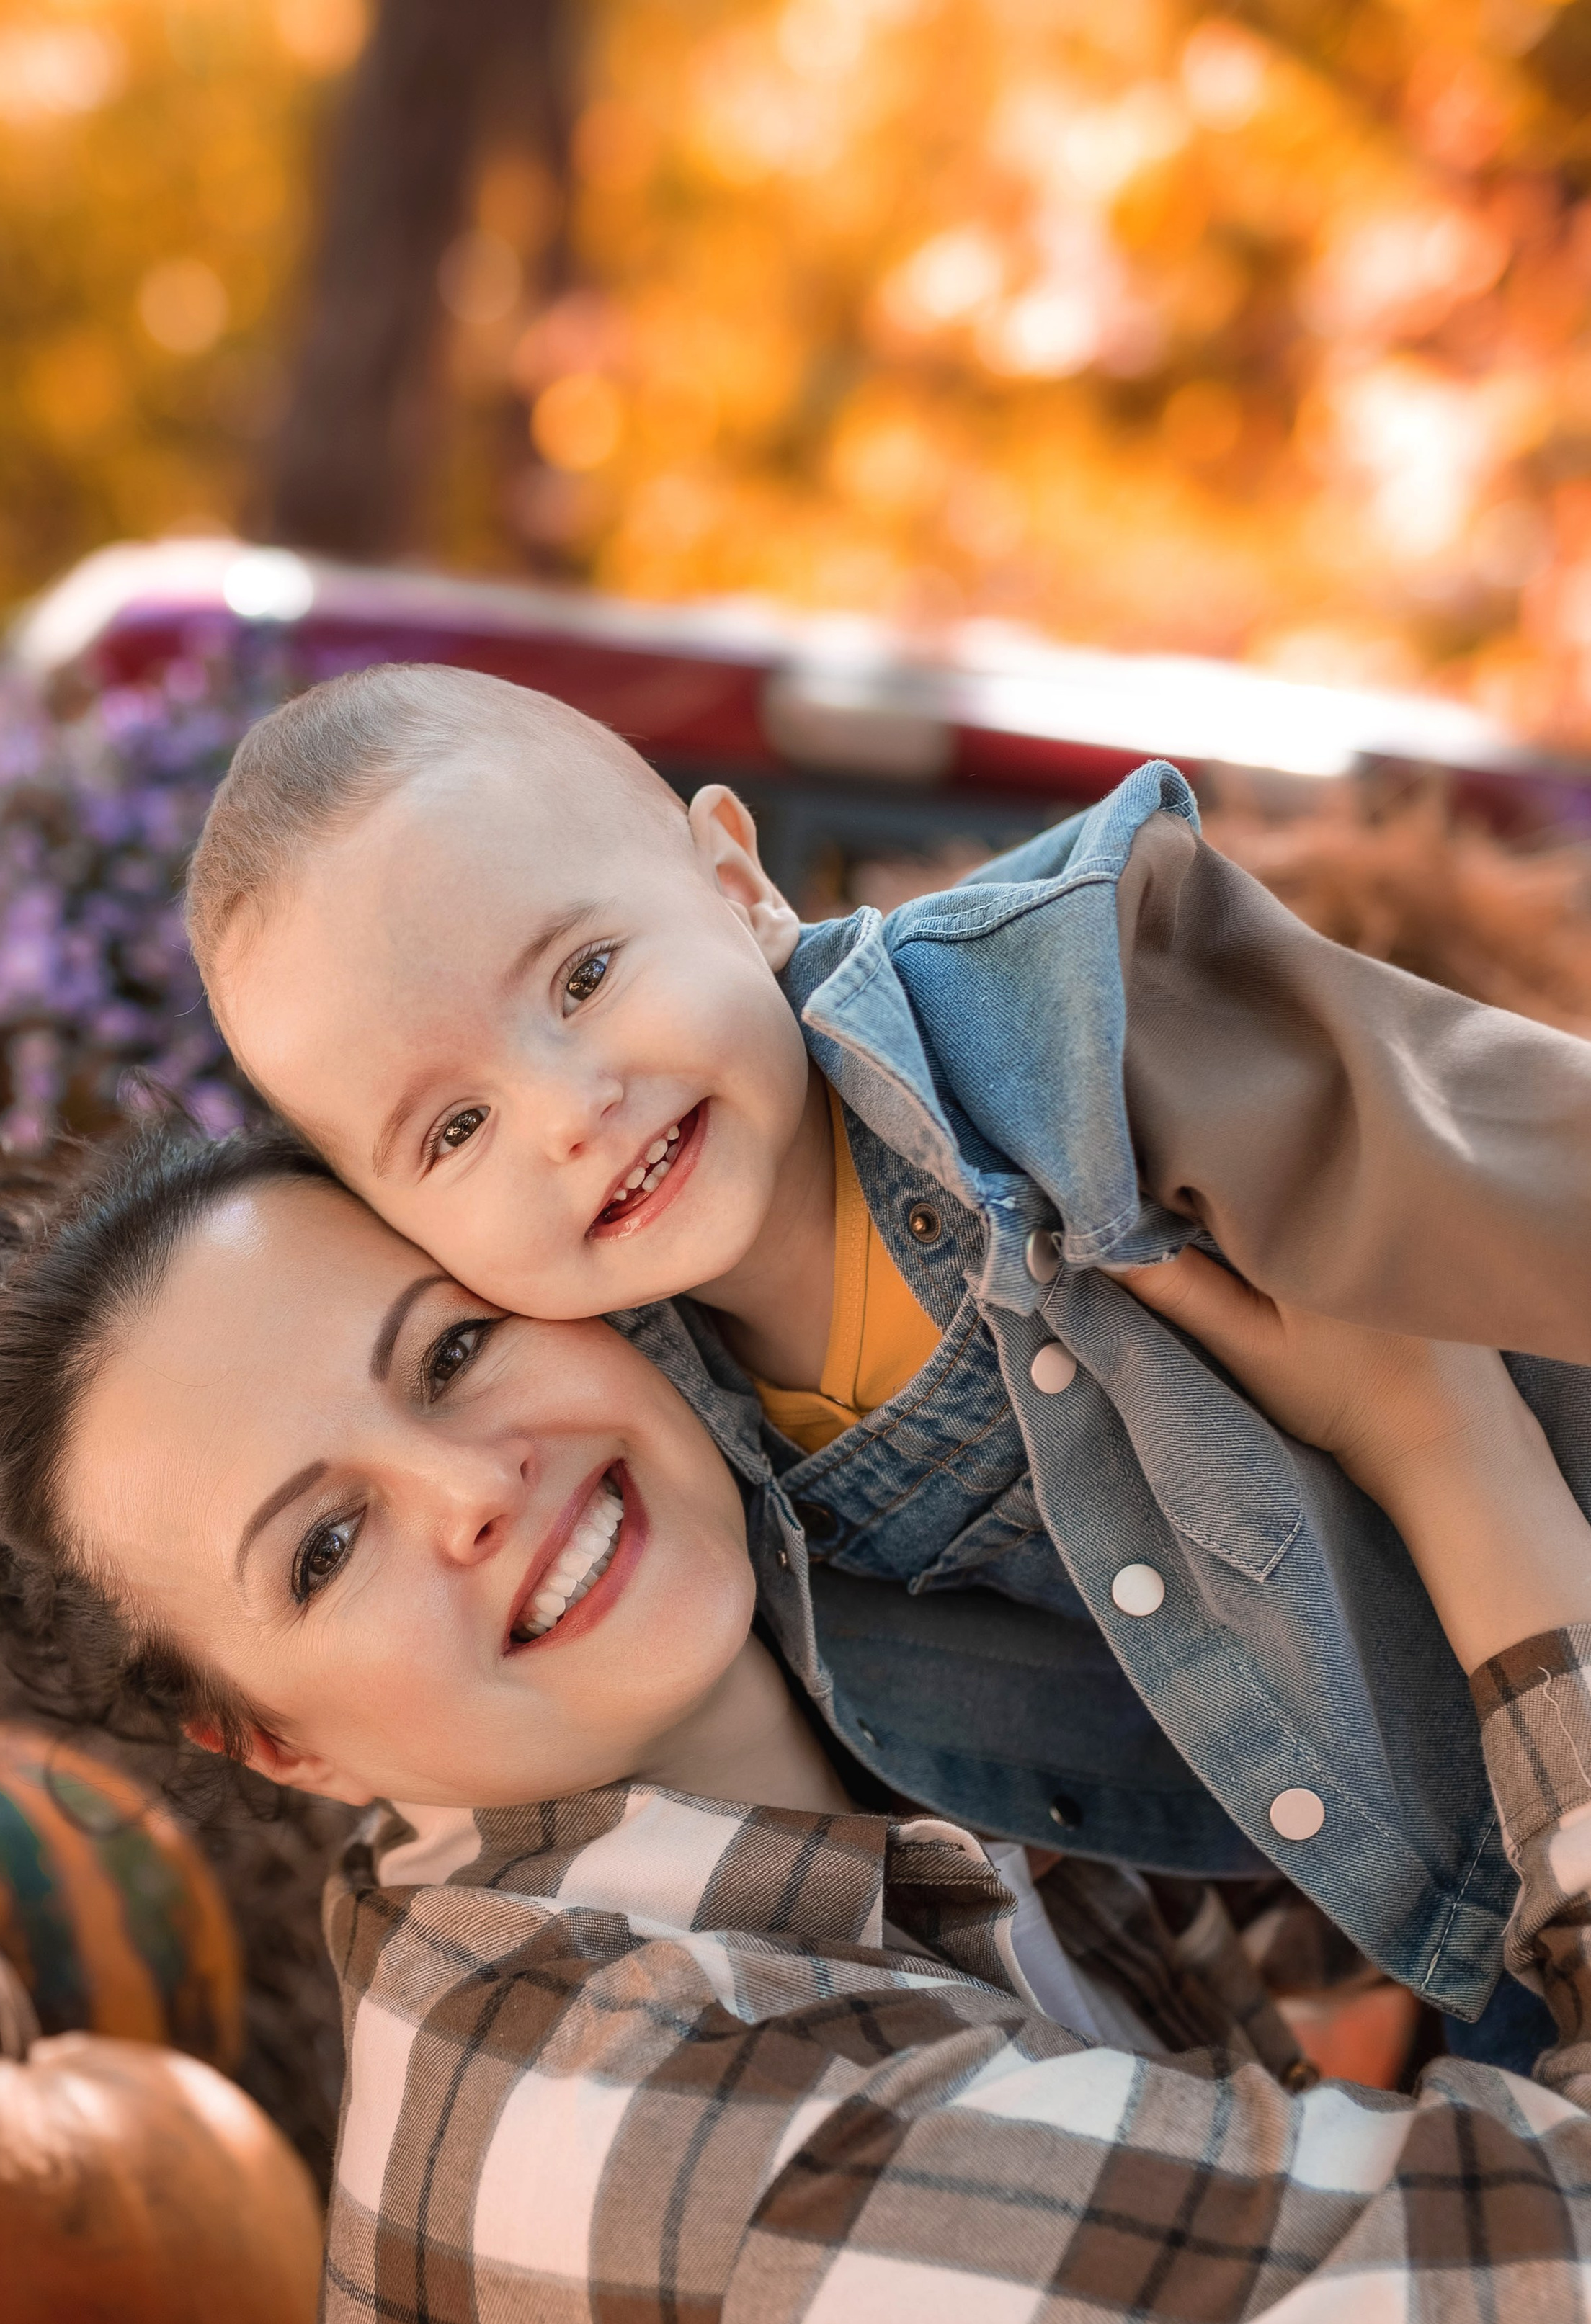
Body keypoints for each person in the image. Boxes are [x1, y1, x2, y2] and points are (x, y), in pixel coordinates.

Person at [0, 1115, 1591, 2324]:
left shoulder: (852, 1743)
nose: (467, 1488)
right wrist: (1447, 1448)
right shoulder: (668, 2139)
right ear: (276, 1742)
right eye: (326, 1547)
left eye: (448, 1351)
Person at [179, 666, 1591, 2048]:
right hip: (1467, 1885)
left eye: (584, 975)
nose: (562, 1110)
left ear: (735, 885)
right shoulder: (655, 1432)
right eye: (451, 1130)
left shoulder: (1070, 1022)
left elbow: (1505, 1149)